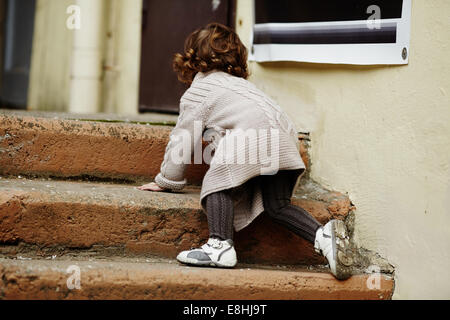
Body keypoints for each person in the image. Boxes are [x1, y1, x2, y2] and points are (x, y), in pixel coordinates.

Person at [138, 23, 353, 280]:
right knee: (278, 205)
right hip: (285, 137)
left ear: (192, 59)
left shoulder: (200, 89)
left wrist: (168, 180)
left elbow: (183, 138)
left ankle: (220, 245)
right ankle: (322, 235)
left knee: (218, 182)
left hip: (252, 136)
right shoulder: (244, 88)